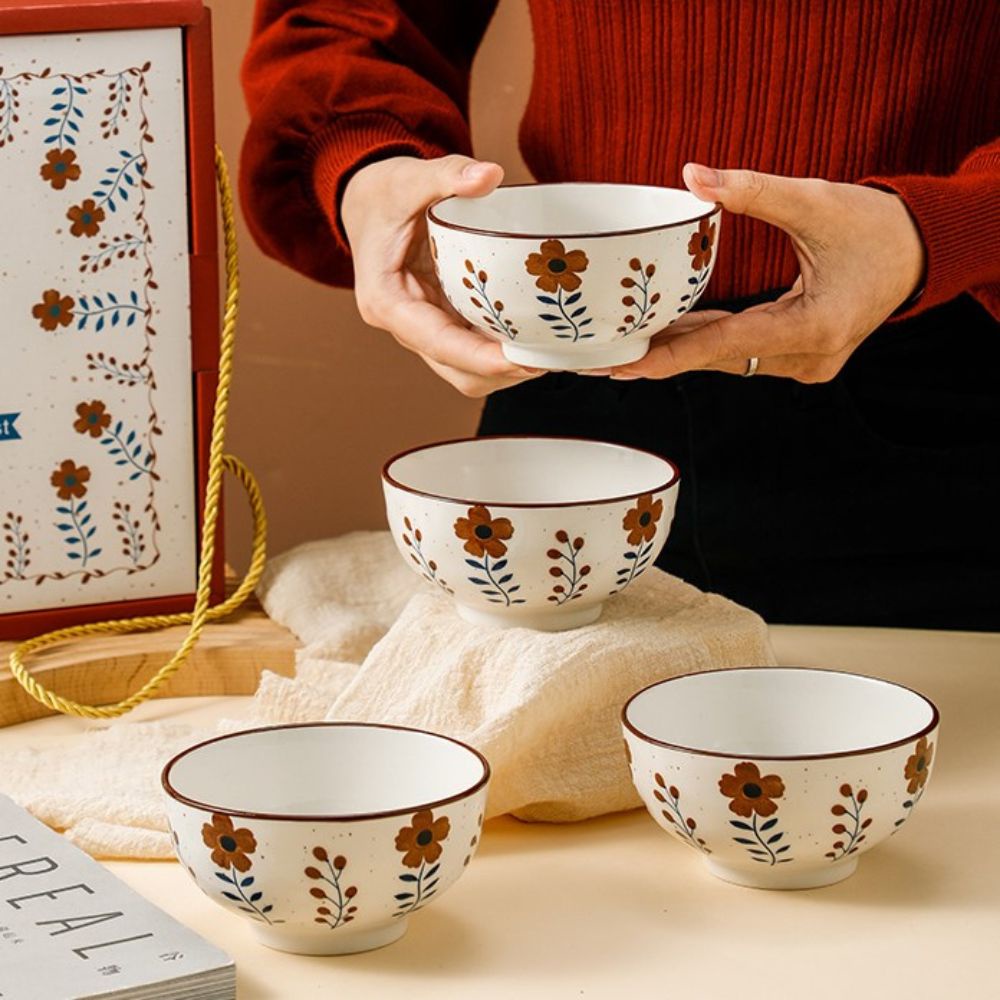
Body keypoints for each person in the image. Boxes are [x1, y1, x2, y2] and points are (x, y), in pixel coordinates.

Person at [239, 1, 1000, 630]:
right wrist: (367, 166)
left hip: (936, 396)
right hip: (566, 385)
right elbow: (339, 18)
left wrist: (942, 232)